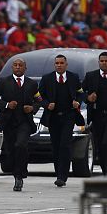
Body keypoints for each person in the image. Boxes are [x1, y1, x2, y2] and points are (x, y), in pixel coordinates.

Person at [0, 58, 41, 191]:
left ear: (25, 68)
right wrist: (6, 105)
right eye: (15, 65)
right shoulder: (3, 82)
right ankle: (17, 170)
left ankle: (19, 176)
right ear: (12, 67)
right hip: (8, 122)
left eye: (20, 65)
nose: (18, 67)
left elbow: (39, 100)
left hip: (24, 121)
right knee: (11, 149)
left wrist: (32, 108)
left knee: (21, 144)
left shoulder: (31, 84)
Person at [38, 54, 85, 187]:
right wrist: (47, 104)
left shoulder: (73, 77)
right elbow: (39, 96)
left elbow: (81, 93)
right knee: (56, 146)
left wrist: (77, 101)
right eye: (57, 63)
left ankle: (62, 176)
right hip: (53, 117)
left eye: (61, 63)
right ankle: (58, 172)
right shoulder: (47, 78)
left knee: (65, 144)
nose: (59, 65)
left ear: (66, 64)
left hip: (69, 115)